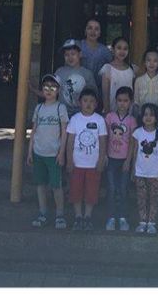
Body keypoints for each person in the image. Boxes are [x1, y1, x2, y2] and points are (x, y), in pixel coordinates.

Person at [26, 74, 69, 230]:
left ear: (58, 90)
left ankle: (60, 215)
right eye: (46, 87)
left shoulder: (60, 108)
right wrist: (29, 151)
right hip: (39, 152)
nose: (49, 90)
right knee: (41, 184)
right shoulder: (39, 108)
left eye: (53, 87)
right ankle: (42, 213)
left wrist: (62, 153)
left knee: (56, 186)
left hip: (54, 153)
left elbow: (64, 132)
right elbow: (34, 130)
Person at [66, 87, 107, 231]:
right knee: (76, 190)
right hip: (77, 162)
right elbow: (70, 141)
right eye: (85, 101)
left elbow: (103, 142)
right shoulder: (75, 119)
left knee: (91, 191)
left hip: (93, 164)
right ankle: (78, 216)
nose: (88, 104)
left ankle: (87, 216)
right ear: (80, 102)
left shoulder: (99, 120)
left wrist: (101, 160)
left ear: (96, 104)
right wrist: (69, 161)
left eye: (91, 101)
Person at [131, 103, 158, 235]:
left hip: (154, 173)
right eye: (145, 114)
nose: (148, 117)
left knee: (153, 197)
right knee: (141, 197)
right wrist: (133, 169)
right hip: (140, 171)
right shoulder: (137, 132)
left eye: (151, 115)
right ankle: (142, 221)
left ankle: (151, 222)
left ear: (156, 117)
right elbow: (134, 151)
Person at [104, 86, 137, 231]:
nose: (122, 103)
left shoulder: (131, 120)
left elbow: (132, 142)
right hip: (111, 159)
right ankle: (111, 217)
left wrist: (129, 160)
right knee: (111, 188)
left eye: (125, 101)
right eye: (119, 100)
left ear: (130, 102)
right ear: (115, 101)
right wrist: (104, 155)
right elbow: (105, 137)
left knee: (123, 189)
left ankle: (123, 217)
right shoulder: (109, 117)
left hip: (124, 160)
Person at [55, 39, 97, 117]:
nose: (70, 57)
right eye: (66, 55)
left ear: (80, 54)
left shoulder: (87, 74)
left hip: (82, 115)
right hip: (62, 114)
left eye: (73, 54)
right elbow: (53, 92)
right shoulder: (59, 72)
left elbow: (93, 95)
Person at [99, 37, 137, 114]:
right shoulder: (107, 68)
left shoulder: (132, 69)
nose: (122, 51)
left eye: (125, 49)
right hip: (112, 112)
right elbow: (105, 95)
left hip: (128, 114)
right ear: (113, 50)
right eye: (119, 48)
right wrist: (108, 114)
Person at [133, 49, 158, 118]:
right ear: (144, 62)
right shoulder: (138, 81)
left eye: (155, 61)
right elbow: (136, 102)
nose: (151, 63)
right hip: (142, 117)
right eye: (149, 60)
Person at [79, 17, 113, 82]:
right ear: (85, 31)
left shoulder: (105, 50)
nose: (93, 31)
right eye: (90, 28)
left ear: (100, 33)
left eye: (96, 29)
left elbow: (112, 67)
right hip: (80, 85)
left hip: (99, 87)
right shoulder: (78, 46)